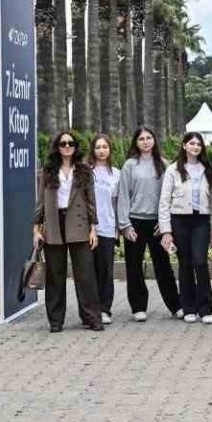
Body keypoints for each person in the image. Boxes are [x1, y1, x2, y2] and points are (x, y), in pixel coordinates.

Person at [33, 130, 103, 332]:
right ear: (57, 147)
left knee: (85, 274)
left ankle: (92, 317)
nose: (66, 147)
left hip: (79, 224)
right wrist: (36, 230)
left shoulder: (83, 170)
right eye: (62, 144)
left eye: (70, 143)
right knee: (55, 275)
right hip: (54, 224)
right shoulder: (48, 171)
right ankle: (56, 321)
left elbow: (90, 201)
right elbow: (40, 202)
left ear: (75, 147)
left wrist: (93, 229)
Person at [117, 126, 180, 321]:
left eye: (148, 138)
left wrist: (165, 223)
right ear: (136, 142)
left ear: (154, 140)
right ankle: (138, 307)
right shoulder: (130, 165)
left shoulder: (164, 164)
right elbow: (123, 196)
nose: (145, 142)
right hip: (135, 222)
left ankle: (176, 305)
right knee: (134, 266)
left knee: (163, 266)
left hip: (157, 224)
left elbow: (171, 195)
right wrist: (125, 225)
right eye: (141, 139)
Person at [158, 131, 212, 324]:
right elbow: (164, 201)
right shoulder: (173, 170)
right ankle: (188, 307)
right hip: (179, 220)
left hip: (201, 221)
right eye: (192, 143)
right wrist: (166, 231)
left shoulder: (207, 169)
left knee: (200, 262)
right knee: (185, 263)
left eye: (198, 144)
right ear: (184, 145)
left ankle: (205, 308)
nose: (195, 147)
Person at [88, 133, 121, 326]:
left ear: (110, 149)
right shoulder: (86, 172)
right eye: (98, 147)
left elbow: (116, 203)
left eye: (105, 147)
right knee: (88, 272)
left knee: (105, 272)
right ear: (93, 150)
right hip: (87, 229)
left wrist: (118, 228)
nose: (101, 151)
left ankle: (104, 309)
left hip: (107, 227)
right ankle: (90, 310)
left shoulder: (116, 174)